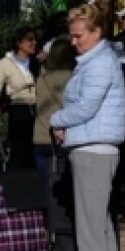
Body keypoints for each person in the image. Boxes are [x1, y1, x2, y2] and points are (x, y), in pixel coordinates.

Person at [49, 2, 125, 251]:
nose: (74, 41)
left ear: (97, 32)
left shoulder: (99, 64)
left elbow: (86, 107)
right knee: (102, 225)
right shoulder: (98, 61)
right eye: (72, 36)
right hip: (97, 145)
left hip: (93, 148)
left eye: (79, 35)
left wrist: (58, 120)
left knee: (90, 227)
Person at [0, 26, 39, 170]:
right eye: (29, 40)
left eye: (35, 40)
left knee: (34, 148)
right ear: (19, 43)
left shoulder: (36, 63)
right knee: (18, 146)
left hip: (37, 107)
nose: (34, 43)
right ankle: (16, 179)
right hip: (18, 107)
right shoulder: (5, 63)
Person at [33, 34, 78, 180]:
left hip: (40, 134)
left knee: (43, 186)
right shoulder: (72, 77)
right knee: (62, 185)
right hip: (61, 136)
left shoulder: (41, 78)